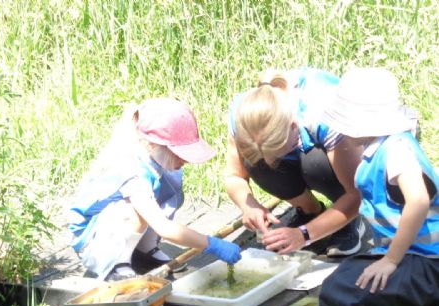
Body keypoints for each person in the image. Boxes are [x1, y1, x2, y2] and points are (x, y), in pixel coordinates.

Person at [68, 97, 241, 281]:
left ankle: (144, 251)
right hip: (93, 240)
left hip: (114, 229)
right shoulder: (131, 171)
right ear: (152, 143)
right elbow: (164, 227)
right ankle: (115, 264)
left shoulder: (152, 161)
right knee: (133, 213)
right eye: (178, 153)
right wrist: (211, 244)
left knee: (170, 186)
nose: (185, 160)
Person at [319, 67, 439, 306]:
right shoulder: (381, 147)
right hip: (411, 254)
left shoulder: (397, 149)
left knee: (345, 292)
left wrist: (391, 260)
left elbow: (417, 201)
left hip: (429, 262)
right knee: (343, 280)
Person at [225, 67, 364, 256]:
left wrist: (304, 235)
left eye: (277, 151)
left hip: (351, 152)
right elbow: (234, 176)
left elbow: (358, 192)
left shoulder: (324, 112)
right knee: (255, 164)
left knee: (314, 163)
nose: (270, 161)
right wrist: (249, 205)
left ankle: (347, 221)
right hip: (305, 143)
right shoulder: (244, 115)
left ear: (293, 126)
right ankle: (311, 212)